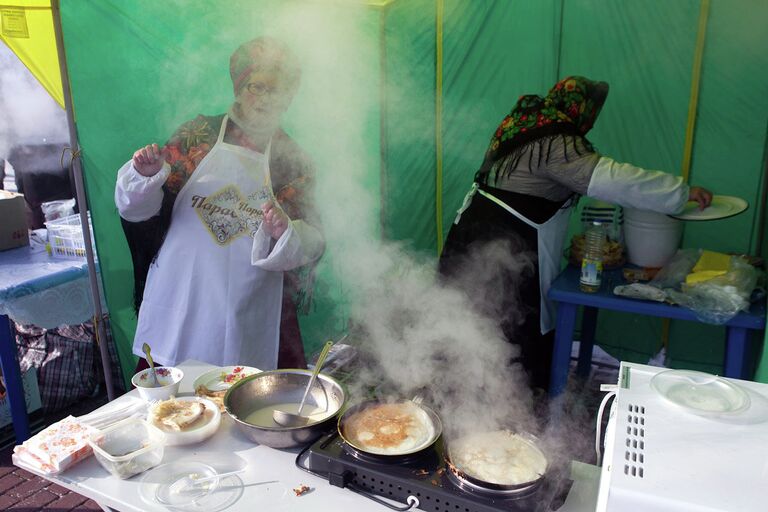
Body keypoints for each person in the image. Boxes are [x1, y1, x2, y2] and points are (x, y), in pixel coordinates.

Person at [438, 76, 712, 392]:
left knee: (472, 323)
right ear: (580, 109)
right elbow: (611, 179)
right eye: (593, 115)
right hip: (500, 242)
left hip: (479, 232)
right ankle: (505, 411)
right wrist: (680, 192)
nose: (592, 124)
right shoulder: (555, 141)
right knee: (502, 327)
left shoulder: (527, 124)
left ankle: (466, 400)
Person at [115, 37, 324, 373]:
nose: (266, 98)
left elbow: (312, 240)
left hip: (251, 305)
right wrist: (144, 176)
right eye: (257, 86)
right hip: (183, 295)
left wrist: (286, 231)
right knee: (172, 408)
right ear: (239, 88)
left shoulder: (293, 160)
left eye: (278, 90)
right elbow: (137, 211)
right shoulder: (197, 135)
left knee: (252, 402)